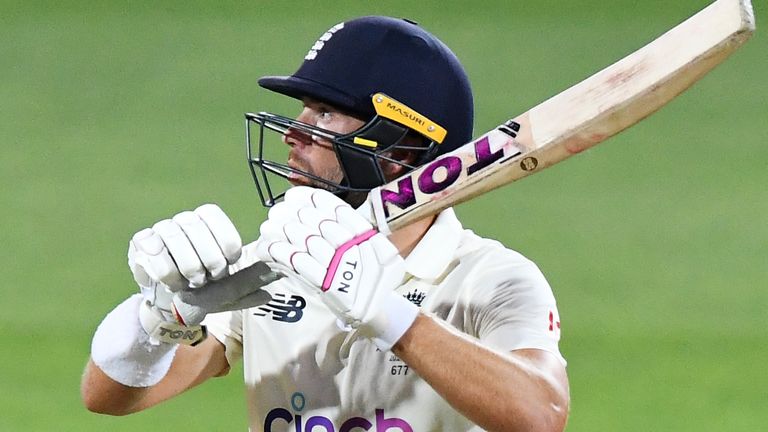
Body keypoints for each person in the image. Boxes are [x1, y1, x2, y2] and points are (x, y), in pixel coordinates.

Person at [81, 16, 569, 432]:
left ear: (398, 149)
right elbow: (108, 397)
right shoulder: (273, 265)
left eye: (325, 112)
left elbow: (541, 412)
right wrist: (160, 321)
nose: (293, 131)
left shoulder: (493, 279)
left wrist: (386, 313)